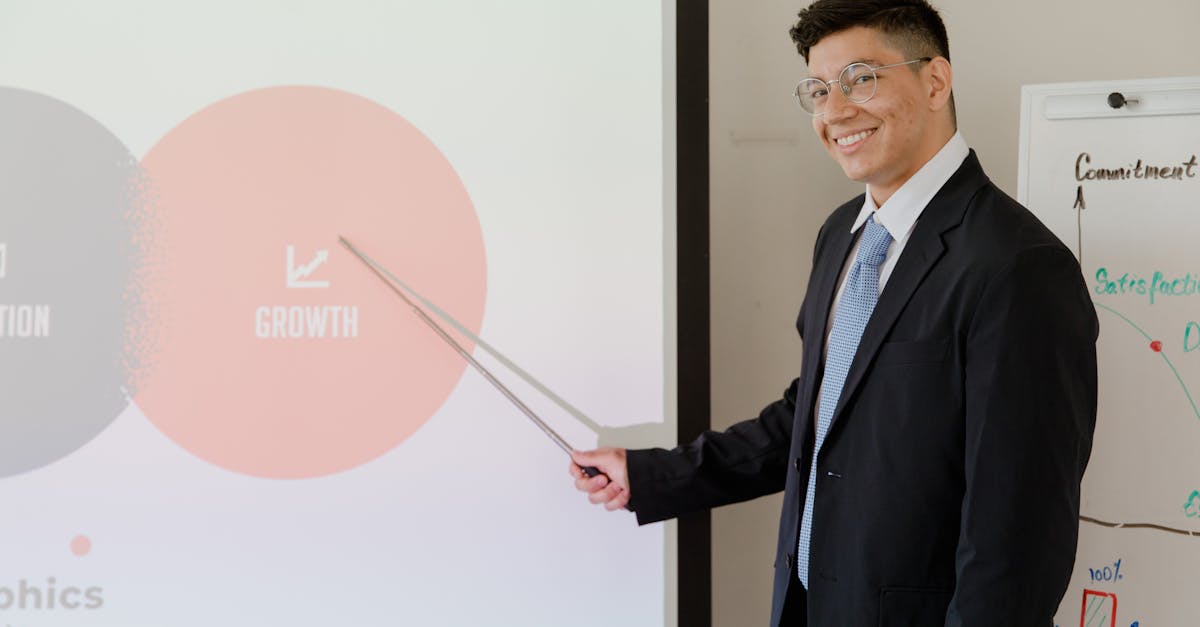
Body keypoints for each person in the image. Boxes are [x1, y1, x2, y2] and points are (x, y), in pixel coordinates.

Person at [569, 1, 1099, 625]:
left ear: (935, 80)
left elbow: (1020, 533)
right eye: (819, 90)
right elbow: (817, 416)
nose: (835, 111)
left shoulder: (1018, 265)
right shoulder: (841, 235)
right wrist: (656, 474)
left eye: (861, 79)